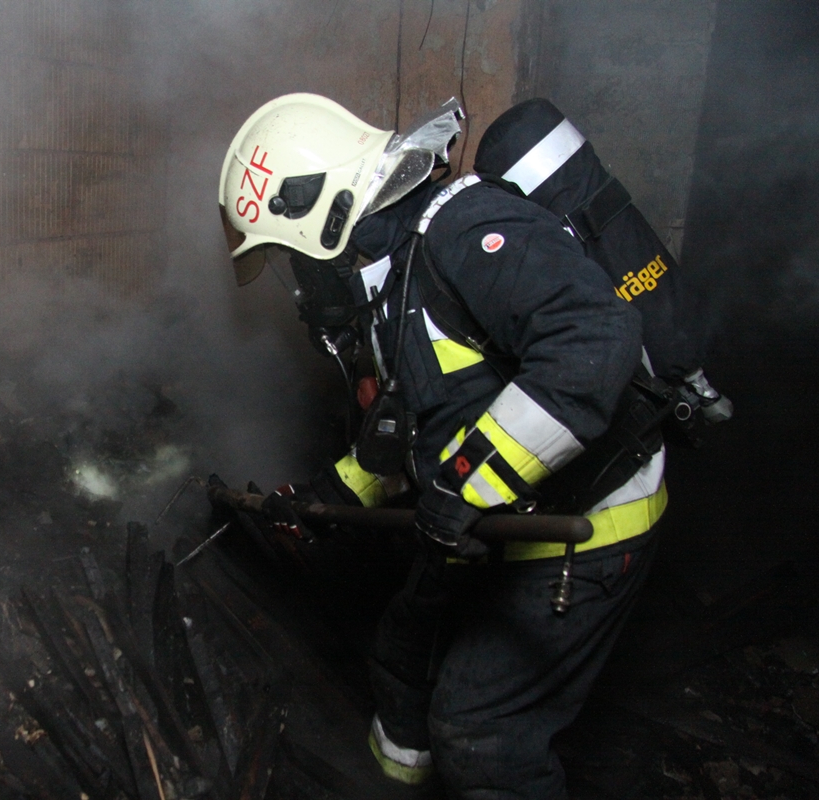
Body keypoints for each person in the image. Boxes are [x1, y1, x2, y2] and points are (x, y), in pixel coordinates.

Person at [217, 94, 715, 798]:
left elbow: (592, 342)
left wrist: (464, 484)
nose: (299, 280)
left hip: (584, 530)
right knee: (401, 652)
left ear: (323, 212)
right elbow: (425, 420)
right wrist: (333, 496)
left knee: (482, 730)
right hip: (498, 519)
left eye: (289, 255)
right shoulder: (399, 277)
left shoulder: (463, 229)